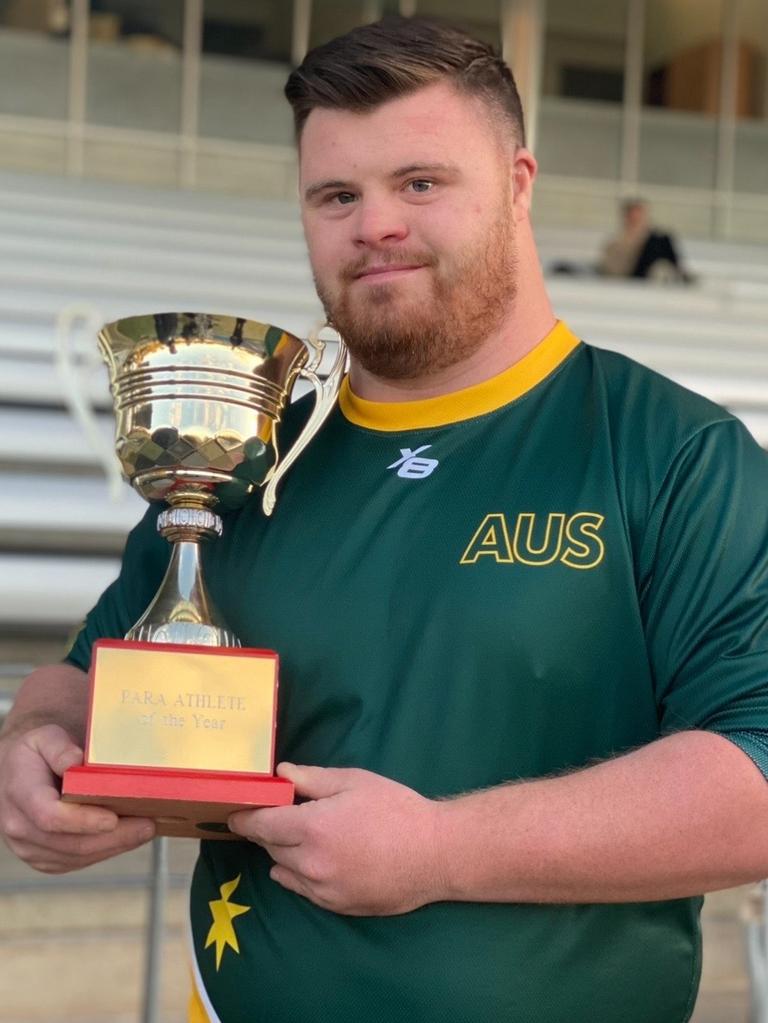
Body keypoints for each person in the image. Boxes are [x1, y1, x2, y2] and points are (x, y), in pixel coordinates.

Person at [2, 16, 768, 1023]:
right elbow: (86, 671)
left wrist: (444, 851)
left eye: (421, 182)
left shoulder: (672, 456)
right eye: (337, 196)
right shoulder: (251, 460)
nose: (376, 226)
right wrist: (38, 751)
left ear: (520, 185)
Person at [598, 198, 694, 282]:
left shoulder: (651, 237)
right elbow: (611, 268)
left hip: (648, 269)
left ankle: (678, 274)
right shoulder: (616, 241)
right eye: (633, 216)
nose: (636, 219)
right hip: (633, 273)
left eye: (639, 215)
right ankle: (679, 274)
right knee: (659, 240)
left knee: (661, 238)